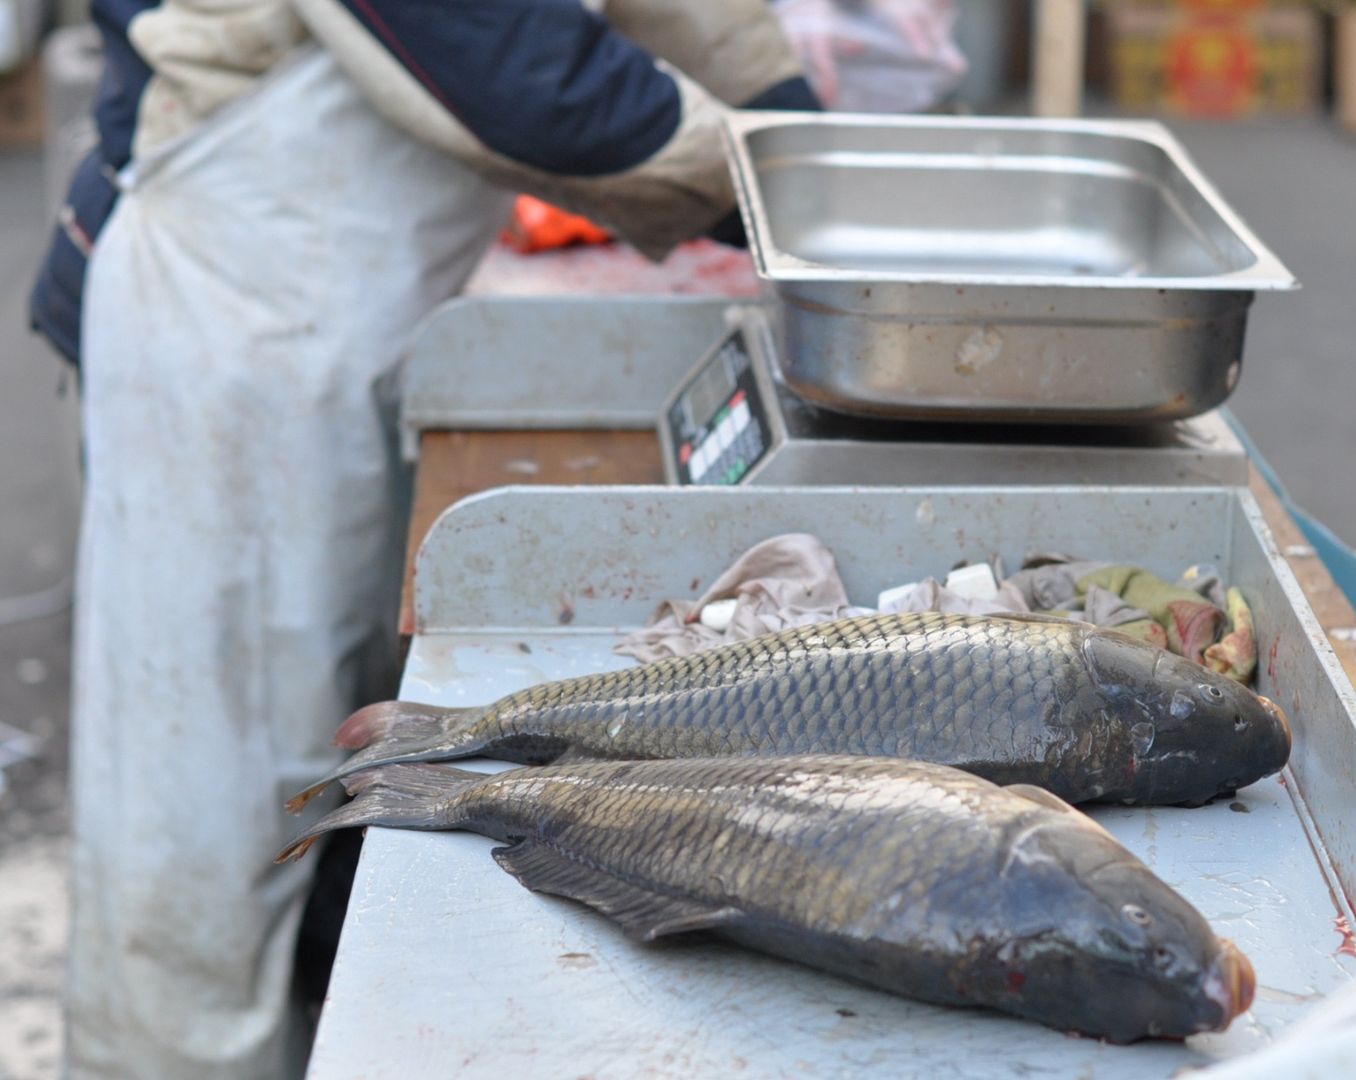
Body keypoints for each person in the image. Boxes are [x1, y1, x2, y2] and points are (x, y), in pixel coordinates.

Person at [29, 2, 818, 1077]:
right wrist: (794, 189)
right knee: (208, 839)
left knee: (326, 776)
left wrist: (797, 123)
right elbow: (499, 56)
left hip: (349, 317)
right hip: (230, 318)